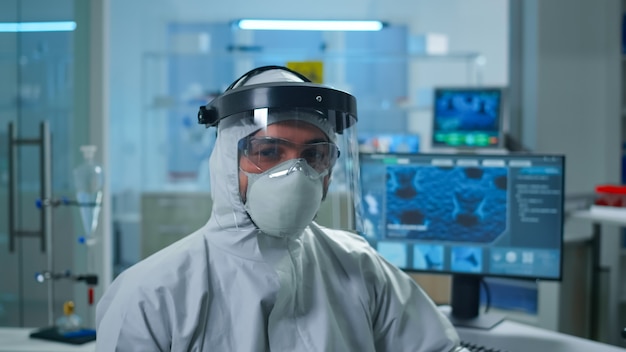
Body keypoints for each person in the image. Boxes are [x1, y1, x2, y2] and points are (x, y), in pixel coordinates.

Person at [95, 65, 468, 351]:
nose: (295, 173)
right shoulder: (151, 294)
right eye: (268, 152)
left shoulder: (359, 266)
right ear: (228, 161)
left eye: (314, 155)